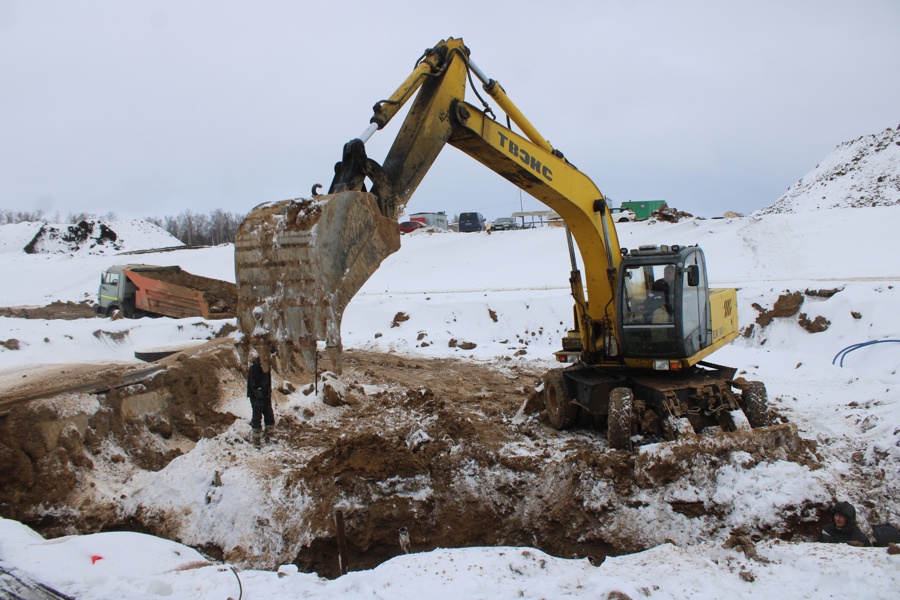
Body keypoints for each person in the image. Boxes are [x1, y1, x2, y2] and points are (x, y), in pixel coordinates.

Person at [247, 354, 274, 448]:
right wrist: (258, 396)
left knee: (269, 414)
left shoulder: (266, 364)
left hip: (265, 394)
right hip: (256, 396)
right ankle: (256, 439)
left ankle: (269, 435)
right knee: (257, 416)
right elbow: (253, 383)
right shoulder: (256, 365)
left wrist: (268, 394)